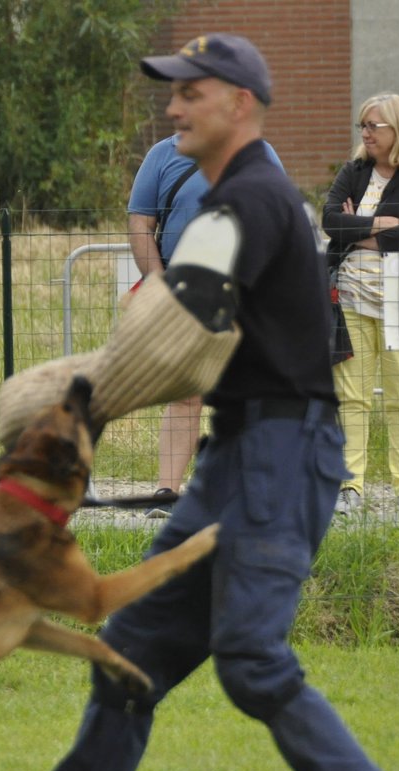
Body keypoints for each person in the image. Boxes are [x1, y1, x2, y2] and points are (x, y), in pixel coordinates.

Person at [0, 33, 399, 771]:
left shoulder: (246, 202)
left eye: (191, 93)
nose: (172, 108)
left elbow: (167, 342)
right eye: (172, 93)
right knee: (130, 649)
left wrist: (66, 410)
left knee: (249, 657)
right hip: (239, 451)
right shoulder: (226, 199)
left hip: (280, 454)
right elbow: (172, 334)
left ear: (240, 104)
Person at [127, 133, 284, 515]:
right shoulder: (162, 155)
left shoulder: (259, 151)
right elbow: (140, 223)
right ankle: (167, 492)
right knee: (186, 394)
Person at [322, 92, 399, 515]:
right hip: (351, 299)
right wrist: (382, 224)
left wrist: (355, 229)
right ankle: (349, 487)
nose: (366, 133)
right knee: (351, 396)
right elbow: (329, 222)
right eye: (363, 125)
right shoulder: (354, 172)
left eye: (374, 125)